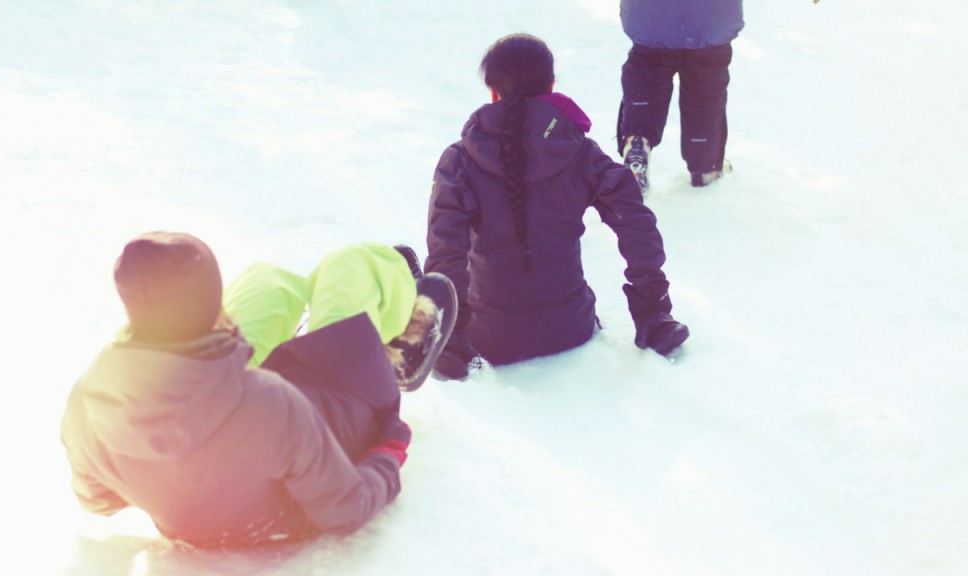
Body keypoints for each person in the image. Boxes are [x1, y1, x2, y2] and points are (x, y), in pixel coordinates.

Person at [60, 232, 455, 548]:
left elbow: (98, 498)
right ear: (214, 308)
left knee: (267, 281)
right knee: (353, 264)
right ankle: (401, 332)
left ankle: (225, 333)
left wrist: (169, 472)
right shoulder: (270, 405)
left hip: (230, 407)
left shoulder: (88, 404)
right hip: (330, 412)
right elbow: (346, 509)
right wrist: (388, 451)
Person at [424, 33, 689, 381]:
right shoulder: (579, 151)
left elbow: (446, 250)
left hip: (489, 339)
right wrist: (652, 308)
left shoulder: (460, 159)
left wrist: (452, 334)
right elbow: (634, 220)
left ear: (492, 92)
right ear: (550, 86)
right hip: (570, 328)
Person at [617, 0, 744, 192]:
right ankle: (705, 166)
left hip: (651, 11)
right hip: (711, 13)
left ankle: (637, 144)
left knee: (648, 66)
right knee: (706, 79)